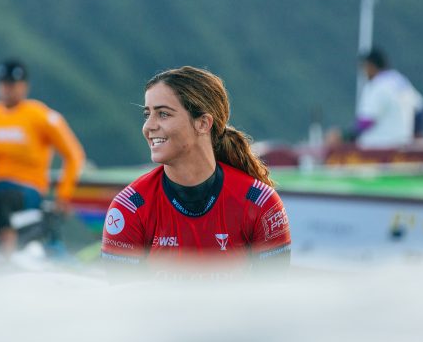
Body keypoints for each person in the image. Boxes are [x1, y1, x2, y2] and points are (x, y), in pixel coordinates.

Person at [101, 66, 291, 277]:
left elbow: (274, 299)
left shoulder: (261, 203)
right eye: (147, 114)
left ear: (202, 123)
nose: (148, 126)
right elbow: (122, 304)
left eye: (163, 114)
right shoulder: (129, 207)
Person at [0, 59, 85, 255]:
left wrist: (63, 196)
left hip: (29, 188)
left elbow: (74, 155)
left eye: (12, 84)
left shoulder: (41, 116)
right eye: (3, 84)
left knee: (2, 200)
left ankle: (7, 251)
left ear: (24, 86)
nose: (7, 89)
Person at [327, 47, 423, 148]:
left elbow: (366, 121)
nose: (364, 72)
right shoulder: (401, 81)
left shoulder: (377, 85)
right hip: (404, 146)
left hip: (378, 147)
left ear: (371, 66)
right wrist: (414, 133)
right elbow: (421, 111)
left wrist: (343, 136)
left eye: (364, 67)